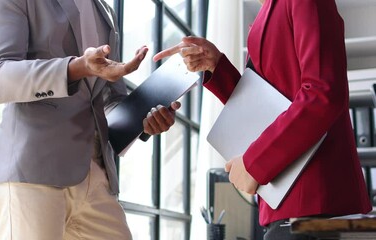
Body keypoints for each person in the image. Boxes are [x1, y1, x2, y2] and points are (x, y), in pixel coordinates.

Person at [153, 0, 372, 239]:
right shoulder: (268, 10)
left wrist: (253, 164)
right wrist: (217, 67)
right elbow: (267, 106)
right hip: (286, 208)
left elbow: (323, 94)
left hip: (309, 207)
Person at [0, 0, 179, 239]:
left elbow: (109, 99)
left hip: (96, 176)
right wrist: (76, 67)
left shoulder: (104, 11)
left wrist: (145, 120)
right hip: (33, 171)